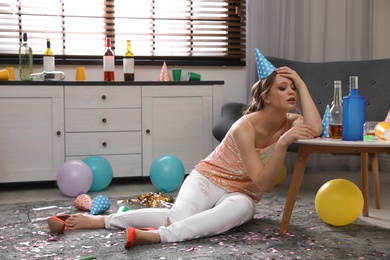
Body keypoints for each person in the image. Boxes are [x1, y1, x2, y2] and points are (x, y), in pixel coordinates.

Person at [63, 59, 322, 248]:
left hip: (241, 193)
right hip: (208, 179)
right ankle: (102, 222)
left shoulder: (289, 122)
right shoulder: (244, 127)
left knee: (242, 211)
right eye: (283, 88)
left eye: (294, 88)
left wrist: (302, 82)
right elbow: (263, 180)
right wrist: (282, 144)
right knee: (178, 216)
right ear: (266, 96)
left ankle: (157, 236)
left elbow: (315, 128)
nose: (292, 93)